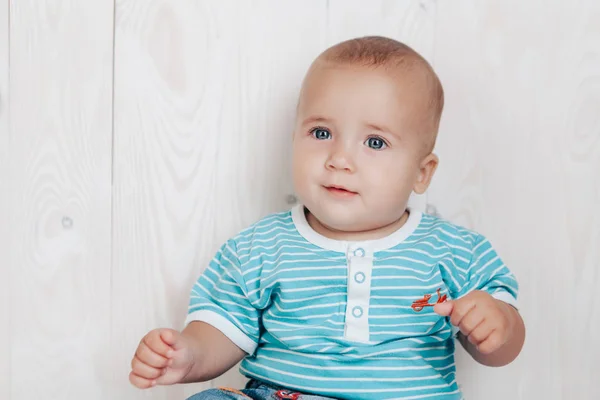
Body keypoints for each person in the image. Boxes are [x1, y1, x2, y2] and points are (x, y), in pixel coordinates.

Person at [129, 35, 525, 400]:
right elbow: (222, 329)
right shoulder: (261, 246)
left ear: (421, 173)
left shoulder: (455, 251)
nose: (339, 159)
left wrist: (498, 326)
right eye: (321, 133)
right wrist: (189, 354)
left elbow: (500, 347)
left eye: (375, 142)